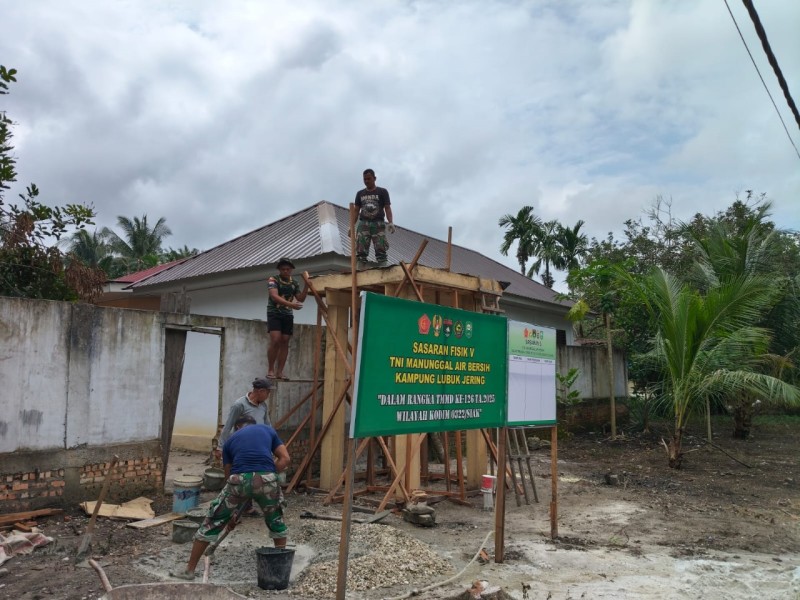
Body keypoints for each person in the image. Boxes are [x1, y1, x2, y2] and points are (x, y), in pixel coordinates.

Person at [172, 415, 291, 580]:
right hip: (267, 479)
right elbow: (285, 459)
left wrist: (231, 514)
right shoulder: (267, 430)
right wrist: (267, 477)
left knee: (211, 523)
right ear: (253, 425)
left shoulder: (229, 442)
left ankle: (189, 570)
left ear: (237, 428)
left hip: (238, 480)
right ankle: (279, 571)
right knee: (276, 522)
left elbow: (230, 479)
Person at [267, 257, 309, 380]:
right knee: (275, 339)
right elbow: (274, 296)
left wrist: (307, 285)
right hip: (274, 312)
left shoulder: (294, 283)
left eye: (288, 269)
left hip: (287, 314)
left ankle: (280, 372)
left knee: (285, 340)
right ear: (279, 269)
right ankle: (271, 369)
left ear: (291, 270)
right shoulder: (273, 279)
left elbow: (300, 298)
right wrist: (291, 305)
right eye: (283, 269)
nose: (286, 271)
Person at [355, 168, 395, 268]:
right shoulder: (360, 194)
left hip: (378, 223)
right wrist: (351, 225)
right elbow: (356, 210)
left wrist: (390, 222)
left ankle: (383, 269)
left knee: (380, 248)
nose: (366, 181)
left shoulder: (382, 192)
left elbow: (387, 207)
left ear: (374, 178)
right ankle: (359, 271)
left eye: (369, 179)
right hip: (364, 223)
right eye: (364, 179)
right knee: (361, 248)